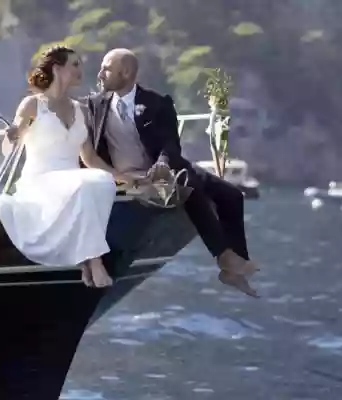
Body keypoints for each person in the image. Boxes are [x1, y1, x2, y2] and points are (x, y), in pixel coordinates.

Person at [84, 48, 260, 297]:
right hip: (129, 175)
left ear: (126, 73)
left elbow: (170, 145)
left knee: (232, 195)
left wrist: (164, 164)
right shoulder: (94, 105)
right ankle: (225, 259)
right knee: (189, 184)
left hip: (164, 168)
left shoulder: (157, 103)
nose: (100, 73)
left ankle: (235, 266)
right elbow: (84, 144)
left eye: (107, 68)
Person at [0, 46, 119, 288]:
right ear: (57, 68)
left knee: (103, 182)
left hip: (71, 178)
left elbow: (90, 158)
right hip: (40, 179)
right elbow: (12, 141)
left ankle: (84, 257)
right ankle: (94, 261)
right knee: (84, 185)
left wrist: (123, 177)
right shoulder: (33, 105)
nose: (80, 69)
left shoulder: (79, 109)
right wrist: (12, 135)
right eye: (75, 64)